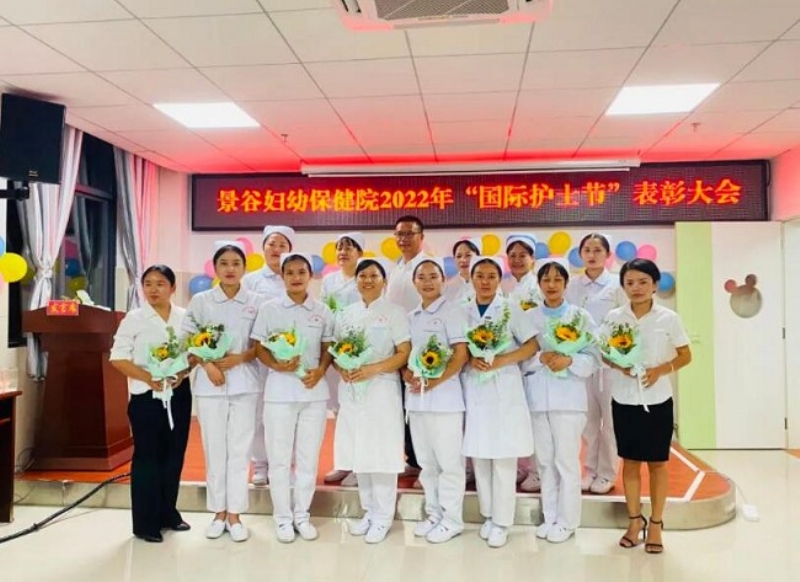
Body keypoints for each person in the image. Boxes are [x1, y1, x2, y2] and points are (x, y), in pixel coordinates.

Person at [603, 259, 692, 554]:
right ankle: (633, 521)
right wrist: (620, 365)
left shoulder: (669, 318)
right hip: (624, 399)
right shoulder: (614, 317)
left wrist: (661, 370)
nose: (636, 288)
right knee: (629, 462)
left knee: (658, 464)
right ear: (623, 286)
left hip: (657, 401)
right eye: (630, 282)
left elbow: (685, 355)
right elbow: (604, 353)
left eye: (643, 282)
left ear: (655, 285)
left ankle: (655, 523)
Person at [183, 241, 262, 542]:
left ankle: (236, 514)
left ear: (244, 268)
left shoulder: (256, 302)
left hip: (245, 383)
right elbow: (188, 338)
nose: (230, 269)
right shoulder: (201, 301)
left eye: (236, 263)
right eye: (224, 263)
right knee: (214, 449)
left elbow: (261, 345)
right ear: (214, 268)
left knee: (240, 450)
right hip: (210, 385)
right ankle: (218, 512)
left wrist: (240, 358)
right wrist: (207, 364)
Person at [251, 253, 334, 543]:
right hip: (279, 392)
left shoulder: (322, 310)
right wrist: (276, 365)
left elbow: (327, 348)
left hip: (314, 392)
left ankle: (302, 515)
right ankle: (283, 518)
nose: (296, 277)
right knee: (279, 458)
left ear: (310, 275)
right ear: (282, 276)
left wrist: (320, 371)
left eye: (301, 272)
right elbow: (258, 347)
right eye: (290, 272)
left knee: (308, 459)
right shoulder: (270, 309)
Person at [110, 265, 192, 543]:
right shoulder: (134, 318)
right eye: (148, 284)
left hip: (178, 394)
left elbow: (193, 353)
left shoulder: (185, 317)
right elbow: (118, 358)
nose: (153, 289)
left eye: (160, 283)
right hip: (146, 396)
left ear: (173, 287)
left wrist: (182, 372)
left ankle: (168, 513)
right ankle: (146, 524)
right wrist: (148, 377)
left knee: (174, 455)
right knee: (147, 458)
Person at [333, 258, 411, 544]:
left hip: (382, 390)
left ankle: (383, 517)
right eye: (362, 276)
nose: (367, 280)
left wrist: (374, 369)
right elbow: (336, 350)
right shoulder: (346, 314)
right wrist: (342, 368)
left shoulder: (395, 313)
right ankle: (368, 511)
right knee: (359, 453)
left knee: (382, 454)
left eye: (374, 275)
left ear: (384, 281)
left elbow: (404, 352)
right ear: (356, 281)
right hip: (353, 390)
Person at [462, 256, 538, 548]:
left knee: (504, 458)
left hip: (505, 386)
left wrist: (503, 360)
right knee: (480, 455)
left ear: (499, 279)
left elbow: (532, 344)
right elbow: (457, 348)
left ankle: (503, 521)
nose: (485, 281)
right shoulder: (463, 310)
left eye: (491, 276)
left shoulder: (511, 309)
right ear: (471, 278)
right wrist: (471, 360)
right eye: (479, 275)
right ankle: (488, 515)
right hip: (475, 387)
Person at [525, 259, 597, 544]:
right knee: (544, 462)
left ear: (566, 284)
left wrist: (569, 360)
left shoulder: (580, 317)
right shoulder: (529, 317)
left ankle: (568, 522)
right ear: (539, 284)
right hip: (538, 400)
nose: (552, 285)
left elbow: (594, 357)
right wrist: (539, 357)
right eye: (546, 280)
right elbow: (519, 358)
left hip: (569, 400)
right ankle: (550, 516)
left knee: (566, 462)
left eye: (557, 279)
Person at [403, 257, 469, 544]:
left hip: (445, 400)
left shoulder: (453, 312)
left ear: (443, 280)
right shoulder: (411, 316)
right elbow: (404, 354)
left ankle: (452, 519)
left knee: (449, 463)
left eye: (433, 276)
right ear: (414, 282)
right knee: (427, 464)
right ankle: (434, 513)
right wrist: (406, 373)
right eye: (422, 277)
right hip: (416, 400)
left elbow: (460, 354)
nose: (428, 282)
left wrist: (434, 381)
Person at [565, 233, 627, 495]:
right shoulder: (572, 286)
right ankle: (589, 470)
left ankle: (607, 473)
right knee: (588, 423)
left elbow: (625, 321)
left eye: (597, 250)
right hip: (581, 362)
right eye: (587, 250)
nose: (592, 255)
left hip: (609, 364)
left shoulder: (616, 284)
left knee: (610, 423)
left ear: (607, 254)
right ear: (580, 254)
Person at [242, 225, 296, 486]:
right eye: (272, 244)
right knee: (258, 411)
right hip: (259, 355)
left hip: (289, 357)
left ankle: (286, 464)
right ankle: (261, 464)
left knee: (288, 412)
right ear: (263, 247)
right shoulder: (251, 280)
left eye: (282, 245)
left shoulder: (294, 277)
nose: (276, 249)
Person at [320, 232, 365, 487]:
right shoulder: (329, 280)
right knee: (340, 411)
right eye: (340, 248)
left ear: (360, 252)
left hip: (359, 352)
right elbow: (325, 312)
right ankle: (344, 463)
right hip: (336, 352)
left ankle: (360, 465)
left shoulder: (365, 277)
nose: (343, 252)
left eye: (349, 248)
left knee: (358, 411)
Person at [385, 216, 426, 479]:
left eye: (410, 234)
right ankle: (411, 457)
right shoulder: (395, 268)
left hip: (420, 345)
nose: (404, 239)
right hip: (396, 346)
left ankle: (423, 460)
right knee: (400, 406)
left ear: (421, 237)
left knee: (419, 405)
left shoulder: (425, 266)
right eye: (400, 234)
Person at [504, 232, 543, 492]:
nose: (517, 260)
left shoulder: (537, 288)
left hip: (535, 364)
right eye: (513, 255)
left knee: (536, 421)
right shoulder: (507, 288)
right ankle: (521, 466)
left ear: (532, 259)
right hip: (513, 364)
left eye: (523, 255)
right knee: (516, 419)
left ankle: (537, 471)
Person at [443, 238, 480, 306]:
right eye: (459, 256)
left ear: (478, 257)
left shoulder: (486, 283)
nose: (463, 260)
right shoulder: (448, 287)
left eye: (468, 255)